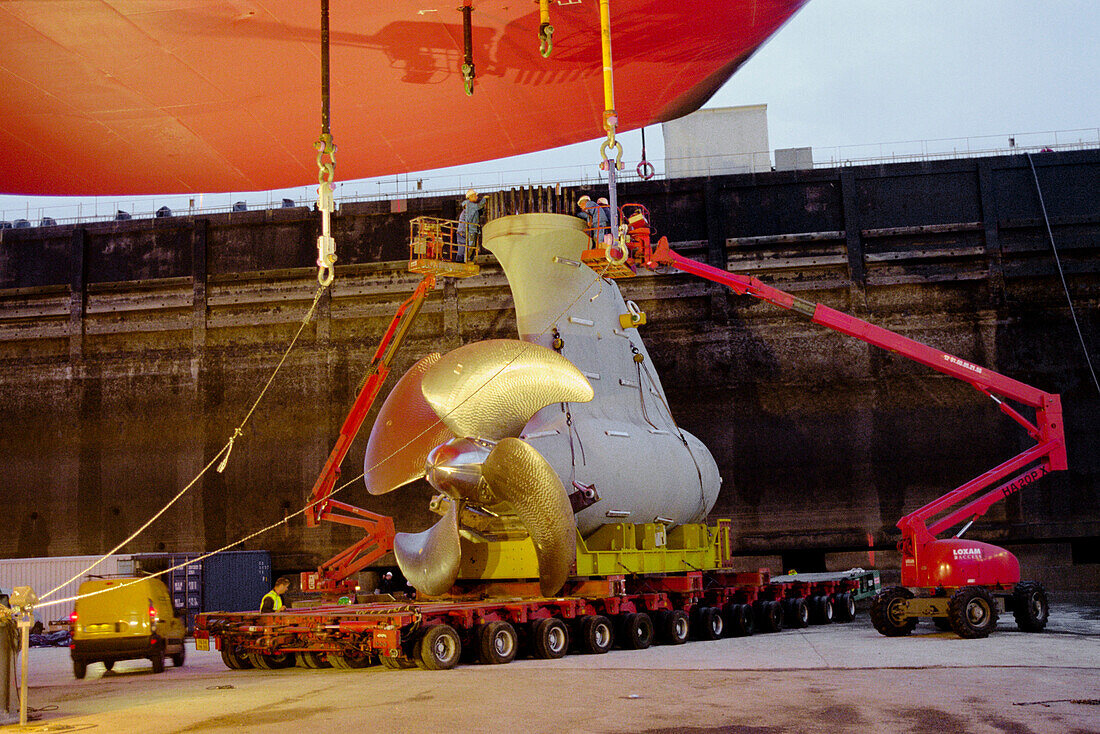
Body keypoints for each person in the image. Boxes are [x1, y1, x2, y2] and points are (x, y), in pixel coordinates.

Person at [455, 189, 485, 261]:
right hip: (468, 230)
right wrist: (484, 200)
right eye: (475, 196)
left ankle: (459, 261)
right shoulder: (470, 205)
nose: (477, 198)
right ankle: (467, 261)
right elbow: (479, 206)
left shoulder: (467, 207)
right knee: (470, 247)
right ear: (470, 197)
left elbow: (477, 212)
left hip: (461, 231)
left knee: (461, 248)